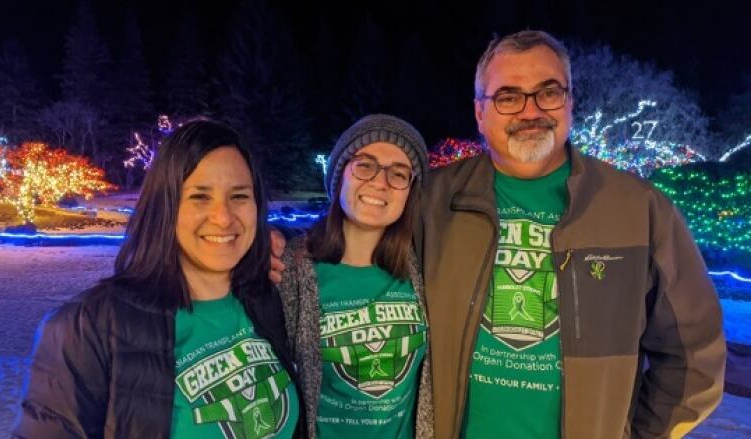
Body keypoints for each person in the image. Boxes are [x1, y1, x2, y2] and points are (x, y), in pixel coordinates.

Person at [415, 30, 726, 438]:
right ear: (479, 111)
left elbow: (694, 358)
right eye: (508, 96)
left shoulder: (638, 209)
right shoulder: (431, 203)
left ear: (570, 100)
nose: (530, 111)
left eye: (548, 92)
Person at [13, 120, 303, 438]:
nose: (223, 217)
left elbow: (337, 238)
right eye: (199, 197)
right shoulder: (87, 327)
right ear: (165, 205)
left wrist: (277, 235)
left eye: (239, 196)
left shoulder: (264, 297)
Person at [278, 114, 433, 438]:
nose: (380, 181)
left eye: (399, 173)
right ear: (340, 176)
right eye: (365, 165)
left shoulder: (422, 265)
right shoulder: (291, 267)